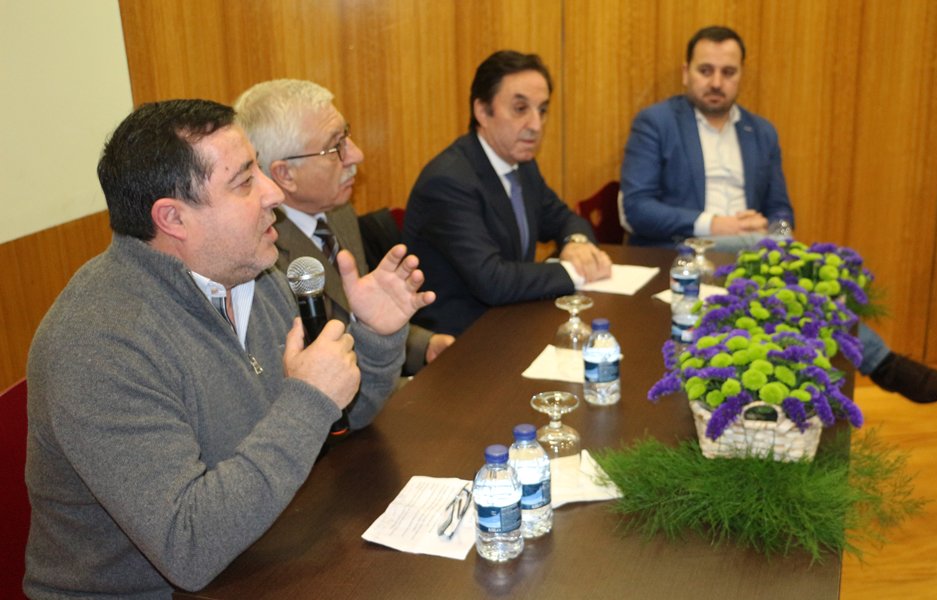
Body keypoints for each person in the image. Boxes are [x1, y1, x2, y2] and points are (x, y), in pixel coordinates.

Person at [24, 99, 433, 597]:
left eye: (259, 168)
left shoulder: (256, 277)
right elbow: (188, 547)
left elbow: (341, 417)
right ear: (173, 218)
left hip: (258, 554)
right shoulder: (98, 343)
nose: (273, 192)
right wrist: (308, 399)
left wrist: (375, 337)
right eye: (244, 181)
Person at [621, 26, 937, 404]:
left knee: (794, 276)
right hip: (684, 254)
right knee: (796, 284)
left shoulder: (761, 132)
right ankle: (885, 365)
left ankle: (825, 396)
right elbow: (637, 208)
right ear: (686, 73)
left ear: (741, 75)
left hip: (751, 253)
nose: (716, 82)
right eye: (705, 70)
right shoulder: (657, 123)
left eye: (728, 72)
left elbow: (781, 210)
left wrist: (779, 237)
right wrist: (717, 224)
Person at [234, 79, 454, 376]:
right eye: (335, 147)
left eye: (346, 137)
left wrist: (423, 346)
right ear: (285, 175)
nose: (356, 155)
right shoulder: (261, 257)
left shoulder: (338, 212)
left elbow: (360, 314)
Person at [403, 50, 613, 336]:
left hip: (512, 321)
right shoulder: (448, 181)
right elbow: (493, 280)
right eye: (520, 109)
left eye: (542, 110)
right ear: (482, 111)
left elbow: (563, 218)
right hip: (460, 341)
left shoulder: (521, 165)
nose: (536, 125)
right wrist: (577, 271)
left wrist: (576, 243)